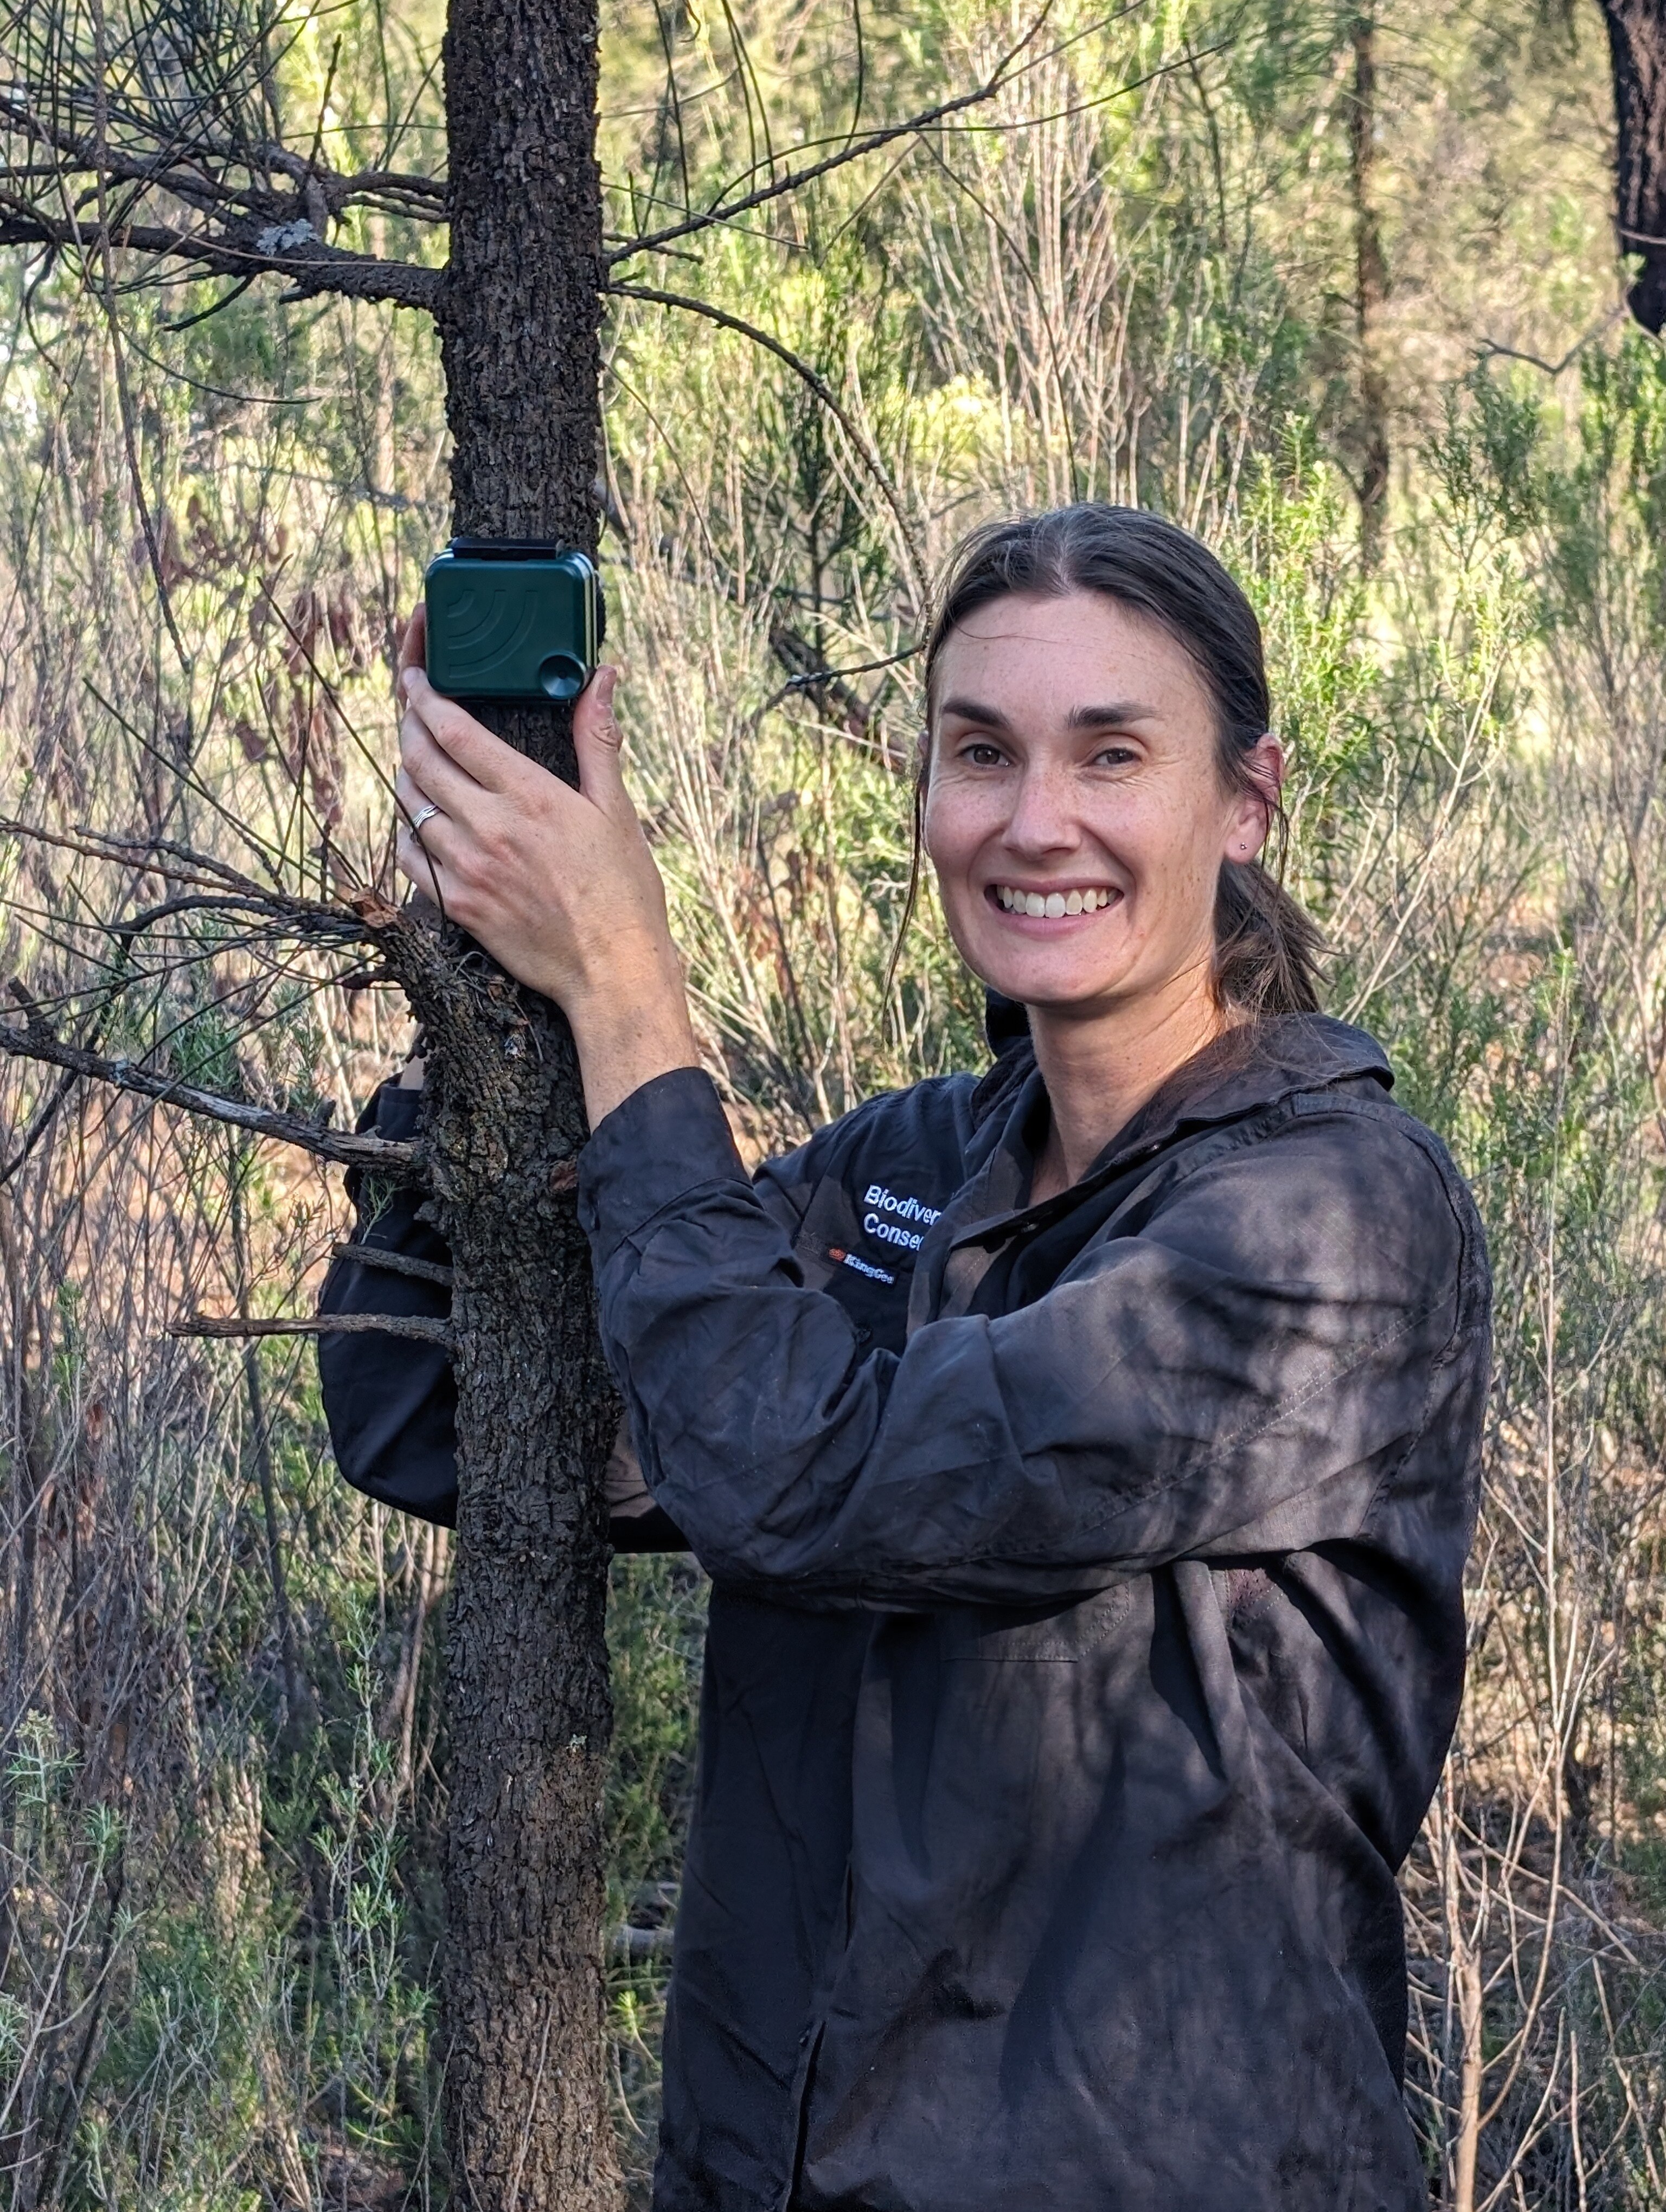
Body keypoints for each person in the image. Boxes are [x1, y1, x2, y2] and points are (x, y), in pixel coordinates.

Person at [319, 504, 1490, 2212]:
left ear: (1246, 800)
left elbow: (810, 1477)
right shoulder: (911, 1169)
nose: (1036, 822)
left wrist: (631, 991)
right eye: (981, 753)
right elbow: (433, 1408)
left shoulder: (1337, 1218)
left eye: (1112, 755)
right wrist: (495, 989)